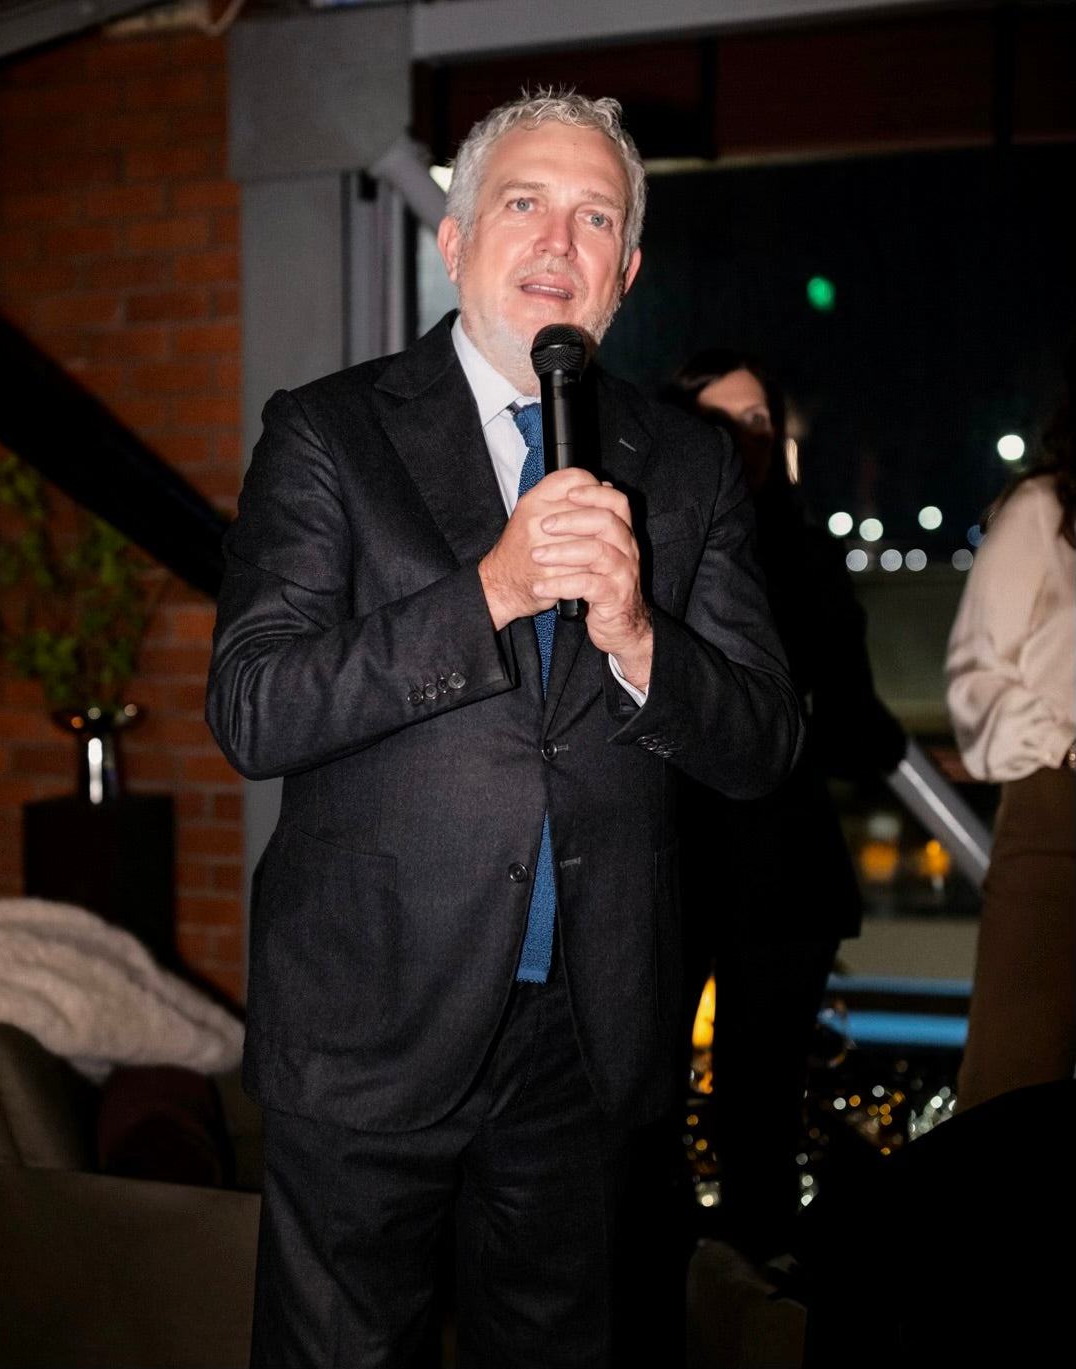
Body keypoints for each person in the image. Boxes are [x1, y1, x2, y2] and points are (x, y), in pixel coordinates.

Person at [205, 89, 802, 1369]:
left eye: (597, 218)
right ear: (456, 238)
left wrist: (638, 635)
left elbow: (762, 741)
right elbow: (254, 705)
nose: (558, 242)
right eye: (524, 203)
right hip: (368, 1029)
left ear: (626, 273)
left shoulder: (688, 465)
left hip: (586, 1048)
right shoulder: (329, 431)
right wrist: (488, 590)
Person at [658, 347, 906, 1274]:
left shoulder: (801, 553)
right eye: (718, 421)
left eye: (758, 420)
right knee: (643, 1098)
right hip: (669, 859)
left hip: (777, 870)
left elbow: (855, 725)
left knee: (759, 1110)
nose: (743, 439)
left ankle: (749, 1305)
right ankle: (665, 1293)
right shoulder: (649, 537)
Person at [944, 364, 1075, 1115]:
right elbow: (976, 679)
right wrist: (1064, 744)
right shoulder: (1043, 510)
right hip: (1057, 812)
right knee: (1014, 1076)